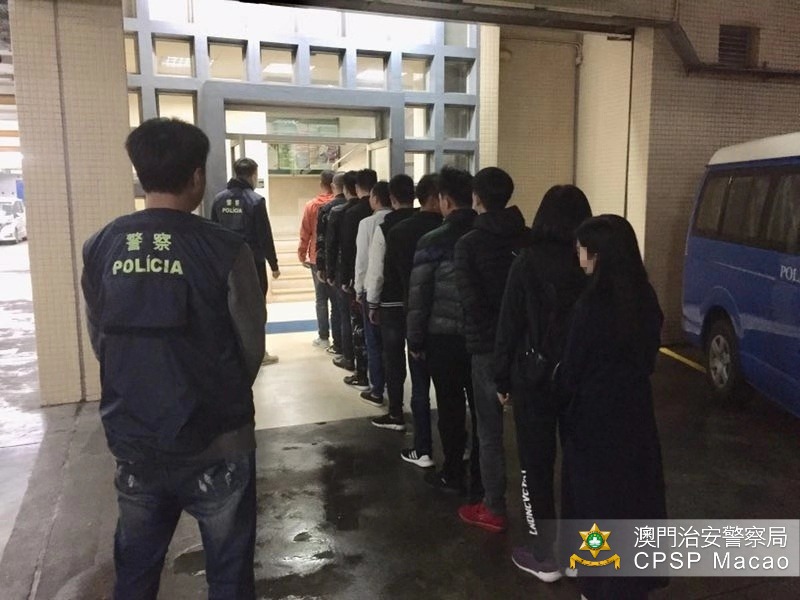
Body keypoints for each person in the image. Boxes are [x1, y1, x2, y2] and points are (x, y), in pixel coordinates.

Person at [81, 118, 263, 599]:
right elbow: (250, 346)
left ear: (140, 175)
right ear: (197, 176)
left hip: (135, 437)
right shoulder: (227, 248)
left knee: (135, 573)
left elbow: (101, 340)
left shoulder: (101, 246)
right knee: (229, 577)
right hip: (218, 439)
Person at [561, 214, 668, 600]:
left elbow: (572, 369)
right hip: (635, 412)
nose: (579, 260)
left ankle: (598, 583)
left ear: (599, 255)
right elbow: (649, 358)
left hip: (593, 418)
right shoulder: (645, 298)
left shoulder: (590, 306)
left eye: (582, 252)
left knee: (596, 502)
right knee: (634, 496)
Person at [493, 185, 592, 580]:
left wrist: (502, 378)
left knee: (535, 466)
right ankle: (582, 554)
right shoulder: (588, 263)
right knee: (579, 466)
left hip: (532, 381)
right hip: (578, 381)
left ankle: (542, 554)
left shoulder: (526, 261)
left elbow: (509, 324)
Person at [453, 167, 528, 533]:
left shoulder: (469, 244)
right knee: (533, 430)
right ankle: (537, 509)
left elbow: (471, 303)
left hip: (486, 349)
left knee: (489, 431)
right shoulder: (528, 238)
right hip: (528, 347)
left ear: (476, 198)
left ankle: (494, 506)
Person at [406, 166, 481, 496]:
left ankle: (453, 472)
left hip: (443, 339)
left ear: (444, 200)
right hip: (482, 338)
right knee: (481, 409)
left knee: (450, 408)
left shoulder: (433, 240)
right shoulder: (484, 236)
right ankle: (481, 474)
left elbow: (420, 296)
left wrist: (415, 339)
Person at [373, 174, 442, 464]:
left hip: (401, 306)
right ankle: (458, 447)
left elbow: (381, 270)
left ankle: (419, 443)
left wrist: (373, 300)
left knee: (408, 371)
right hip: (445, 317)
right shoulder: (453, 230)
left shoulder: (397, 230)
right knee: (450, 386)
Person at [212, 157, 280, 365]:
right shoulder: (255, 201)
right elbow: (264, 235)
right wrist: (274, 264)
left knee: (228, 307)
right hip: (252, 264)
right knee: (256, 308)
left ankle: (233, 351)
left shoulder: (219, 199)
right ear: (253, 175)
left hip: (225, 263)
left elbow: (213, 231)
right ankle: (258, 352)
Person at [365, 174, 417, 426]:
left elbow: (376, 271)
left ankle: (396, 412)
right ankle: (421, 411)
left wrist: (372, 302)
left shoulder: (385, 228)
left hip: (391, 304)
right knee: (418, 358)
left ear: (392, 198)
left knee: (393, 359)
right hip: (418, 303)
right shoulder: (428, 224)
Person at [338, 168, 377, 389]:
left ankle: (362, 374)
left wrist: (345, 279)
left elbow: (348, 250)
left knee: (360, 329)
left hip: (358, 279)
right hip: (381, 281)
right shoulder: (383, 212)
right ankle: (378, 376)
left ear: (355, 187)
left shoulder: (352, 214)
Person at [354, 180, 392, 404]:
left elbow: (362, 260)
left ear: (375, 199)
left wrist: (359, 289)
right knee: (392, 345)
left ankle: (377, 388)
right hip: (395, 293)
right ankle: (392, 385)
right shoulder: (398, 220)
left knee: (374, 343)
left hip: (372, 290)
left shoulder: (367, 223)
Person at [326, 171, 360, 370]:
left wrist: (330, 272)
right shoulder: (370, 211)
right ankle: (365, 362)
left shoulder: (338, 212)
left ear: (346, 189)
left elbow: (332, 245)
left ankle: (348, 356)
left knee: (345, 314)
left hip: (344, 272)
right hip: (365, 273)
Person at [298, 170, 335, 348]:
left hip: (316, 257)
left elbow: (306, 232)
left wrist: (302, 254)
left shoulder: (311, 206)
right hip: (336, 257)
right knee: (337, 300)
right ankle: (340, 339)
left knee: (321, 299)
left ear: (321, 184)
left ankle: (324, 336)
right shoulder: (341, 205)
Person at [315, 172, 347, 356]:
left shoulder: (327, 209)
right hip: (353, 266)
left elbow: (323, 241)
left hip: (336, 265)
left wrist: (322, 266)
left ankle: (339, 345)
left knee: (335, 305)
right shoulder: (361, 208)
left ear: (334, 187)